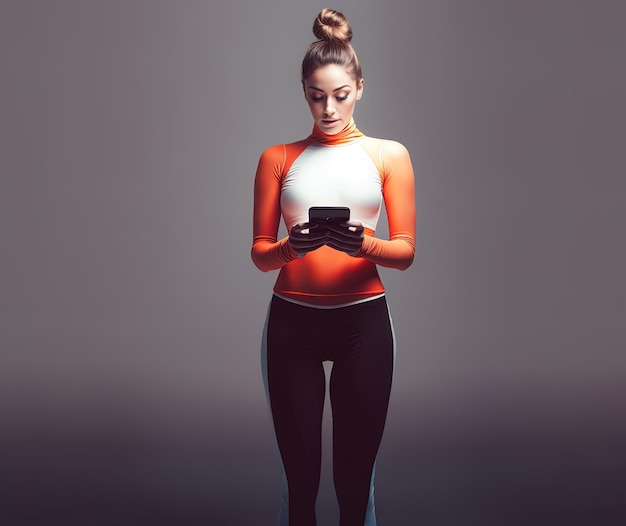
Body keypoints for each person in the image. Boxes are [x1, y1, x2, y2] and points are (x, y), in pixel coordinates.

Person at [251, 8, 416, 526]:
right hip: (292, 323)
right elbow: (259, 252)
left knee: (355, 490)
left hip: (362, 324)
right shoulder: (277, 157)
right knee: (297, 489)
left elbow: (406, 251)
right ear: (304, 91)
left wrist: (363, 244)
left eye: (340, 95)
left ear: (359, 88)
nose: (328, 108)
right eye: (316, 95)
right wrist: (290, 249)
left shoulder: (389, 155)